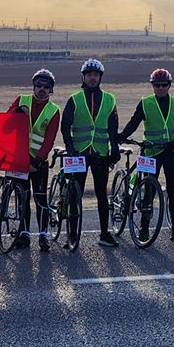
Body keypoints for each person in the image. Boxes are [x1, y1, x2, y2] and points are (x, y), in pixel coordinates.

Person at [118, 68, 174, 242]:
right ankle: (144, 229)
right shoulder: (145, 103)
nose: (160, 88)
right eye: (157, 85)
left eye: (164, 85)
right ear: (152, 86)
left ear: (169, 85)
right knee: (149, 190)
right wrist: (122, 136)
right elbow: (134, 123)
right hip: (151, 152)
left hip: (172, 153)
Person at [59, 58, 119, 248]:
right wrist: (70, 150)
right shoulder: (74, 99)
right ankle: (73, 235)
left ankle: (104, 234)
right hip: (80, 154)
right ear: (83, 77)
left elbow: (113, 126)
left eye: (95, 75)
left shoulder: (110, 99)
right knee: (75, 196)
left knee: (102, 194)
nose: (92, 78)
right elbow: (65, 127)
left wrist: (115, 148)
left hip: (100, 153)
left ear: (100, 77)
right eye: (89, 75)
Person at [9, 70, 62, 248]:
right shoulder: (21, 100)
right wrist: (17, 111)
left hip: (37, 162)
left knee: (40, 199)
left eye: (46, 87)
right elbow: (6, 122)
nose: (42, 89)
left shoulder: (54, 110)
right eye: (39, 85)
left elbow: (49, 139)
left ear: (51, 90)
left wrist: (37, 161)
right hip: (18, 159)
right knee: (22, 197)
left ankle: (43, 234)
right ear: (33, 86)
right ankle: (23, 234)